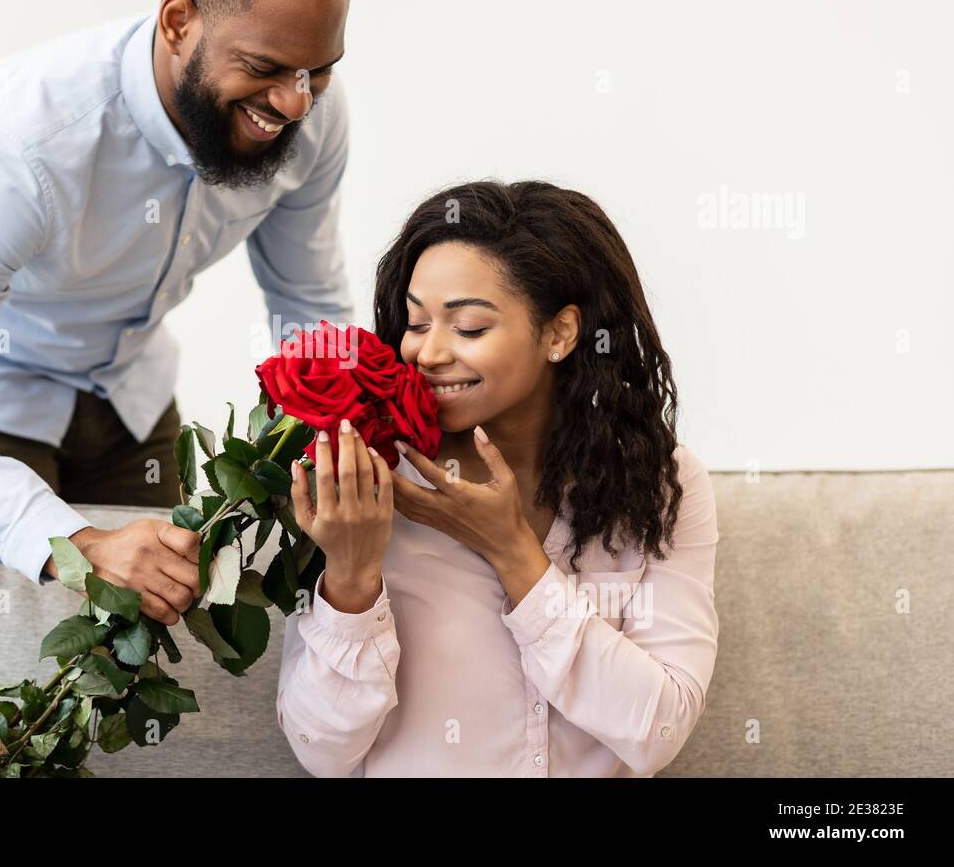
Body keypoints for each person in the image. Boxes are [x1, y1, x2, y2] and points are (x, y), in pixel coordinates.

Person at [0, 0, 355, 627]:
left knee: (169, 609)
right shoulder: (21, 145)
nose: (294, 103)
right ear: (177, 20)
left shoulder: (308, 120)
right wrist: (78, 547)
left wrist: (347, 436)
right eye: (264, 69)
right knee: (5, 639)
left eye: (317, 72)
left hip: (126, 379)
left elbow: (308, 304)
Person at [276, 180, 720, 776]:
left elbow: (659, 729)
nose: (428, 354)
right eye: (415, 323)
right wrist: (352, 576)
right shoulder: (358, 476)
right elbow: (319, 750)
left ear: (559, 333)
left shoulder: (661, 481)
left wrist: (512, 552)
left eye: (469, 329)